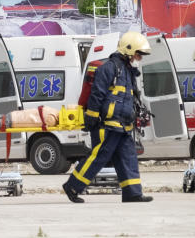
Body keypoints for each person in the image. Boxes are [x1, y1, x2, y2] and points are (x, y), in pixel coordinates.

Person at [62, 32, 154, 204]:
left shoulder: (128, 72)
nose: (139, 58)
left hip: (123, 125)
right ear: (128, 50)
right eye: (138, 54)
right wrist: (92, 117)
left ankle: (132, 193)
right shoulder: (109, 68)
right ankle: (72, 186)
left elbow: (129, 98)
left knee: (128, 157)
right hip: (107, 125)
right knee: (99, 158)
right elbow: (97, 94)